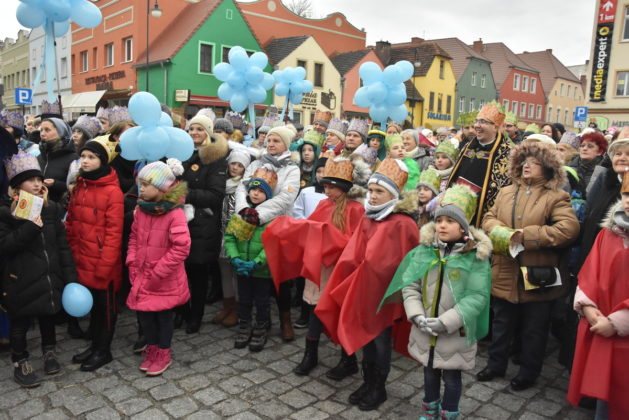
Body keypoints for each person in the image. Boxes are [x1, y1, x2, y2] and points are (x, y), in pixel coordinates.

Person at [315, 158, 420, 411]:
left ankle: (378, 387)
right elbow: (355, 251)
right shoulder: (369, 217)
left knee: (380, 339)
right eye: (371, 190)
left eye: (379, 191)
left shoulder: (403, 223)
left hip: (384, 295)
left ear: (393, 194)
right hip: (363, 289)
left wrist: (373, 266)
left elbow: (405, 262)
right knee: (367, 340)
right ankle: (367, 381)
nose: (372, 196)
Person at [382, 184, 492, 420]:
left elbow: (477, 297)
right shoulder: (424, 252)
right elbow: (410, 285)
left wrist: (446, 321)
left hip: (455, 333)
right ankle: (430, 409)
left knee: (452, 377)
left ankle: (449, 412)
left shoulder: (475, 258)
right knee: (429, 372)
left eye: (450, 221)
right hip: (425, 329)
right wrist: (416, 315)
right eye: (439, 220)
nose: (442, 225)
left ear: (463, 227)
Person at [478, 141, 580, 391]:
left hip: (537, 274)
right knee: (501, 324)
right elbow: (489, 217)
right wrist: (500, 231)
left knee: (534, 329)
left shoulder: (556, 196)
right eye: (524, 161)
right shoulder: (506, 191)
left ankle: (528, 372)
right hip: (505, 269)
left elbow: (569, 229)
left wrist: (528, 236)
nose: (527, 166)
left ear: (547, 168)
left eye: (534, 162)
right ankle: (495, 365)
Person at [262, 156, 369, 377]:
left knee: (337, 312)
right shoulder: (324, 204)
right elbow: (311, 228)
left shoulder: (355, 209)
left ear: (344, 188)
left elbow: (355, 243)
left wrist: (326, 235)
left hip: (339, 270)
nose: (326, 190)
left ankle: (348, 359)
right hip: (320, 268)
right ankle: (310, 355)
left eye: (331, 187)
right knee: (315, 309)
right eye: (325, 186)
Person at [0, 151, 76, 387]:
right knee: (20, 323)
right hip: (20, 278)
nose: (36, 184)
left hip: (48, 275)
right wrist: (30, 226)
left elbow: (62, 245)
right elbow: (5, 246)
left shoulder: (50, 208)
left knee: (47, 316)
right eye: (30, 180)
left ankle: (49, 352)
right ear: (16, 186)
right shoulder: (5, 212)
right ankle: (20, 361)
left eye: (38, 179)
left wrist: (69, 277)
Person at [567, 172, 629, 419]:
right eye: (626, 194)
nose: (628, 201)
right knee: (605, 399)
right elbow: (591, 271)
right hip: (601, 326)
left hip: (619, 330)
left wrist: (617, 322)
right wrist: (588, 307)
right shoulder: (609, 233)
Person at [235, 125, 300, 341]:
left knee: (280, 276)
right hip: (248, 221)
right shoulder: (256, 164)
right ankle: (254, 319)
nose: (270, 144)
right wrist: (244, 211)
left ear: (286, 144)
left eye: (276, 140)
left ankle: (285, 319)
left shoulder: (292, 169)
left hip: (277, 224)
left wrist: (258, 214)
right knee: (254, 273)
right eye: (269, 140)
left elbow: (286, 198)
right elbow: (242, 188)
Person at [126, 160, 191, 376]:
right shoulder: (142, 209)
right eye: (140, 184)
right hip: (142, 273)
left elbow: (181, 247)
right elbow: (134, 237)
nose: (141, 189)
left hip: (163, 277)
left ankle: (164, 352)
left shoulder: (174, 213)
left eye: (146, 185)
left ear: (161, 187)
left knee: (163, 317)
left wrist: (159, 271)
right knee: (145, 316)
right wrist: (132, 261)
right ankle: (152, 348)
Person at [66, 136, 124, 371]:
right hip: (82, 258)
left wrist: (105, 266)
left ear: (102, 161)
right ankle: (95, 345)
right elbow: (72, 221)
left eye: (91, 157)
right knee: (94, 309)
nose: (85, 161)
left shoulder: (112, 192)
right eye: (83, 156)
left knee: (106, 309)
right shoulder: (81, 185)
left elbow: (114, 234)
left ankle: (103, 350)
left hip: (103, 263)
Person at [179, 115, 228, 334]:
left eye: (199, 129)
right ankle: (181, 311)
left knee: (197, 273)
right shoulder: (181, 153)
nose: (194, 133)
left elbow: (215, 195)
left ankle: (195, 316)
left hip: (202, 224)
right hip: (179, 220)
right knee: (179, 271)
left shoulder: (215, 158)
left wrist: (183, 193)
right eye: (191, 129)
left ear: (208, 132)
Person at [225, 168, 276, 352]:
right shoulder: (240, 214)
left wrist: (258, 262)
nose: (256, 193)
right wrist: (235, 258)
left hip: (261, 270)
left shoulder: (270, 218)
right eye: (254, 189)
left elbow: (272, 244)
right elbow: (230, 238)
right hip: (242, 268)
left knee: (262, 300)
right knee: (244, 299)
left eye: (261, 191)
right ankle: (244, 325)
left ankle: (261, 327)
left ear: (268, 195)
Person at [447, 101, 512, 227]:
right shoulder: (467, 146)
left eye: (483, 121)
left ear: (495, 127)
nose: (477, 125)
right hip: (458, 210)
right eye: (476, 121)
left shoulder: (507, 153)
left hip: (484, 217)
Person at [212, 150, 251, 328]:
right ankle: (227, 306)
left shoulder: (245, 187)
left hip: (236, 235)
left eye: (240, 165)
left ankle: (238, 308)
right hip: (220, 233)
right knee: (224, 272)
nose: (235, 168)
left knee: (236, 273)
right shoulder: (221, 184)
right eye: (233, 163)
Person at [37, 118, 78, 203]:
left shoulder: (73, 159)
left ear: (61, 132)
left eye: (47, 130)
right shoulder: (39, 157)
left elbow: (78, 187)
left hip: (61, 207)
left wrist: (55, 184)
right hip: (37, 206)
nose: (42, 134)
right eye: (41, 130)